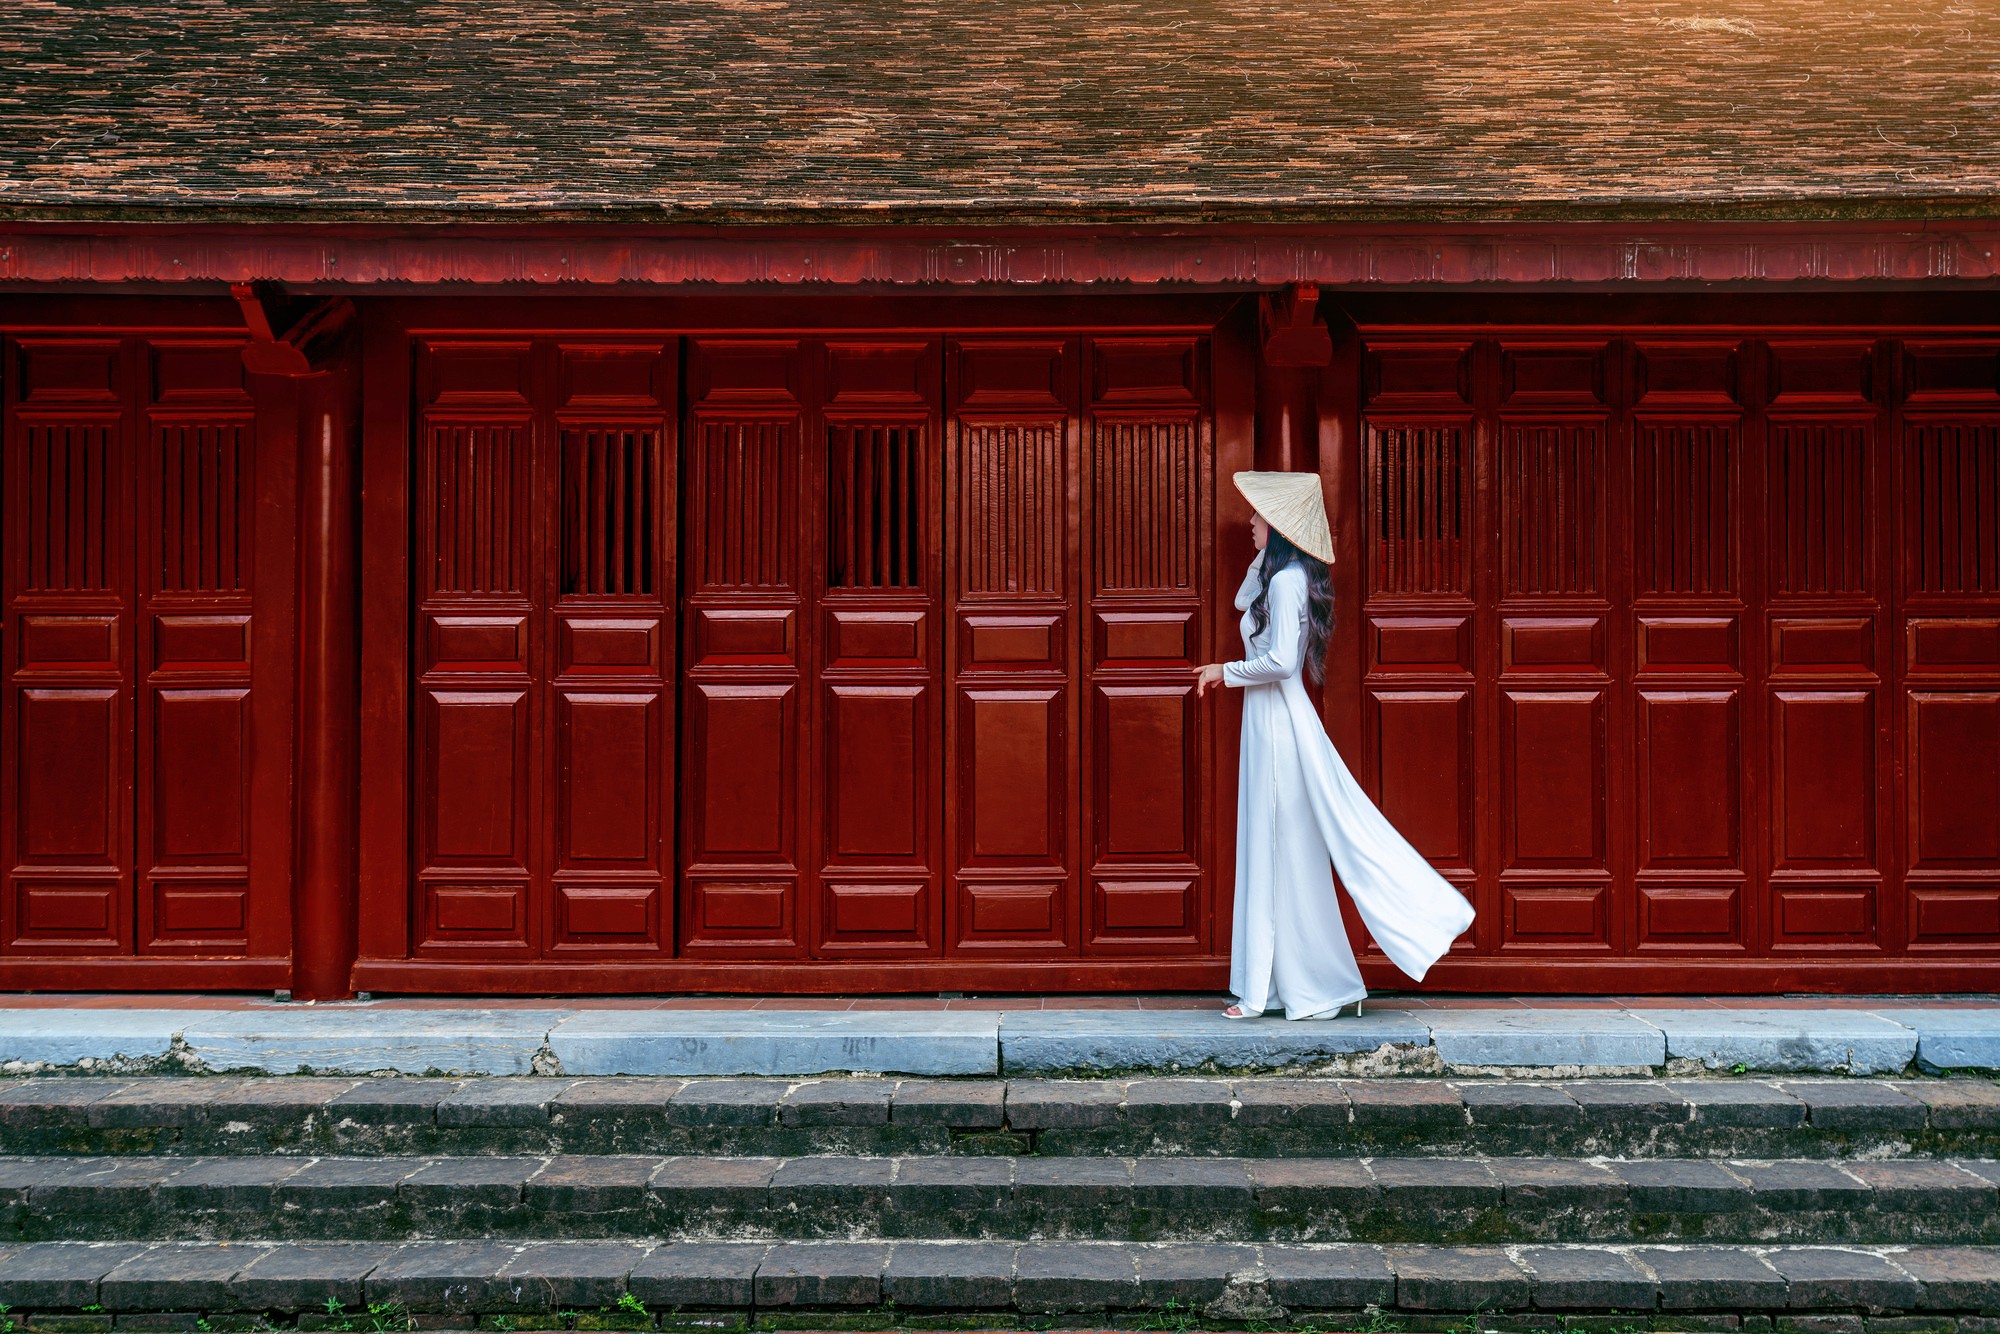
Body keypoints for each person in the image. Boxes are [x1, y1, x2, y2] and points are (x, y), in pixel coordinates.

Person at [1194, 471, 1476, 1019]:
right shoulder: (1284, 576)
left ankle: (1279, 991)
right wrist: (1266, 557)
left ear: (1278, 525)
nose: (1249, 521)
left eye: (1259, 515)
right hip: (1271, 721)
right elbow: (1244, 600)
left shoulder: (1286, 582)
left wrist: (1222, 671)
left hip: (1279, 723)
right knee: (1281, 851)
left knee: (1276, 849)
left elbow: (1281, 663)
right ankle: (1293, 987)